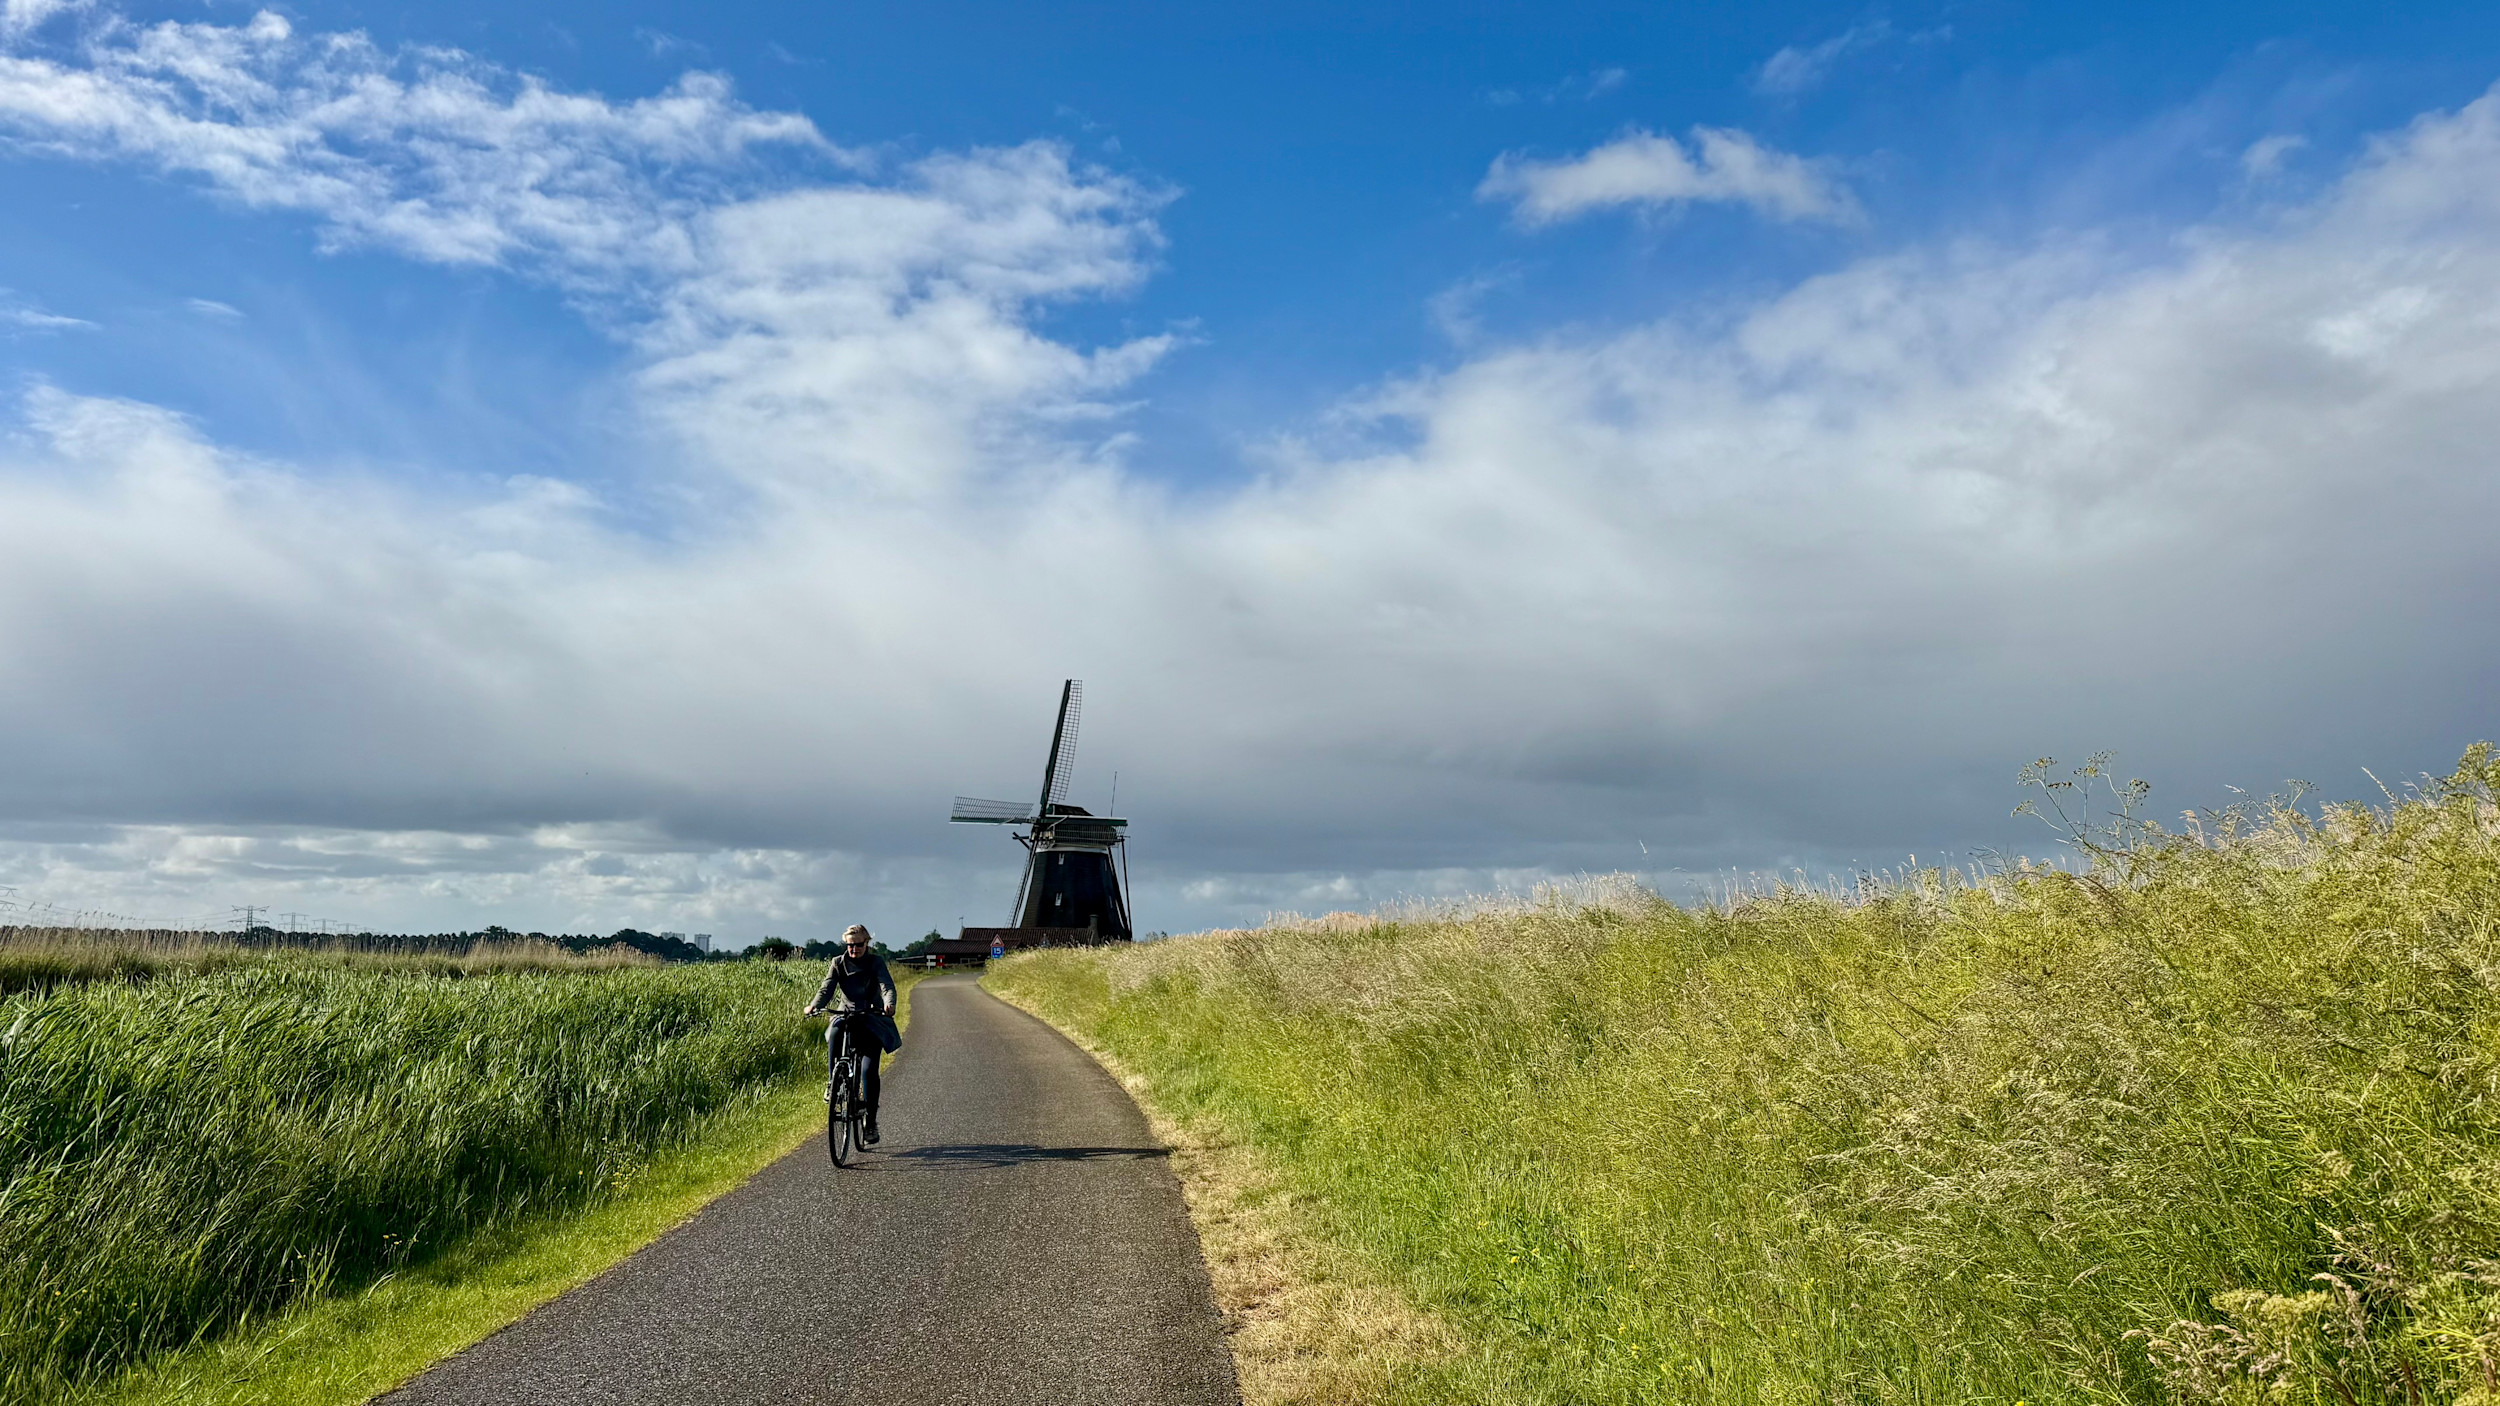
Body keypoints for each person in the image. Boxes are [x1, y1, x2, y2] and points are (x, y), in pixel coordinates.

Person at [802, 924, 899, 1143]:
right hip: (845, 1014)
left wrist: (888, 1004)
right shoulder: (838, 963)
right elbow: (827, 988)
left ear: (867, 943)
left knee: (868, 1071)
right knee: (834, 1030)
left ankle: (871, 1123)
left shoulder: (876, 962)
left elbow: (887, 986)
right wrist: (814, 1006)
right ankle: (832, 1083)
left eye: (858, 945)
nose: (853, 949)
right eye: (849, 945)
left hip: (871, 1016)